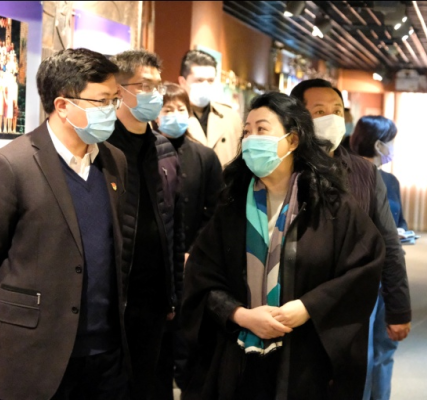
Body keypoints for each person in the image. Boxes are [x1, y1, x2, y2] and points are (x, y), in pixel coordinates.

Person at [182, 92, 385, 399]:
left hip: (305, 360)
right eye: (247, 131)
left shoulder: (330, 205)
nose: (251, 139)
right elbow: (201, 276)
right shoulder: (232, 204)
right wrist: (240, 315)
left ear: (292, 140)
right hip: (237, 360)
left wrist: (307, 307)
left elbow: (364, 269)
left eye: (262, 129)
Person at [0, 48, 130, 400]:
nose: (112, 110)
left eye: (115, 100)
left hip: (105, 355)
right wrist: (14, 315)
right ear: (63, 105)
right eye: (102, 101)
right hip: (32, 356)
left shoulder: (115, 161)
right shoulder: (10, 165)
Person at [290, 79, 411, 400]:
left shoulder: (364, 173)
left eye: (336, 110)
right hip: (291, 303)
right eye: (319, 111)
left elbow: (388, 242)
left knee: (346, 382)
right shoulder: (282, 169)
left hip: (350, 305)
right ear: (296, 117)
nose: (331, 118)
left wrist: (399, 308)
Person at [107, 50, 185, 400]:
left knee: (149, 384)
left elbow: (174, 226)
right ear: (120, 90)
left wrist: (174, 293)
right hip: (115, 296)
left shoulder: (164, 149)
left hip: (155, 296)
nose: (155, 94)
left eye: (157, 86)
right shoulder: (102, 147)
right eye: (145, 86)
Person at [152, 83, 224, 399]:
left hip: (194, 263)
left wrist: (193, 251)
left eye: (181, 109)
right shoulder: (146, 153)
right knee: (157, 352)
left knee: (188, 344)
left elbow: (215, 209)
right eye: (168, 109)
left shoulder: (205, 156)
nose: (175, 115)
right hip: (156, 265)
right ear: (156, 115)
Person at [178, 50, 243, 166]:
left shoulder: (231, 117)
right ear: (183, 82)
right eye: (199, 80)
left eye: (210, 80)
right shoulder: (173, 117)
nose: (205, 85)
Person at [351, 116, 407, 230]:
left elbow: (401, 222)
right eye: (391, 142)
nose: (393, 147)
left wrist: (401, 231)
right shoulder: (349, 177)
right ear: (378, 146)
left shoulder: (391, 180)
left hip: (392, 242)